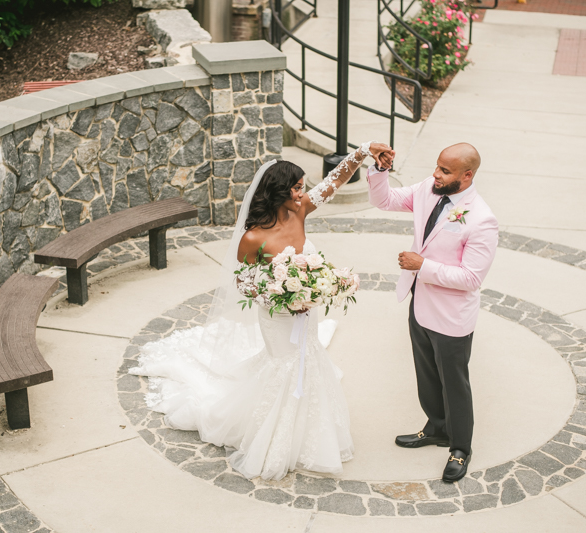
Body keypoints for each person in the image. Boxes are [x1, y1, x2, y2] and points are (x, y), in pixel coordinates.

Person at [130, 142, 394, 481]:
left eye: (302, 188)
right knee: (284, 365)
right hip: (277, 316)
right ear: (278, 192)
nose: (303, 193)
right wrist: (281, 296)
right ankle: (274, 438)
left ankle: (309, 433)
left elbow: (334, 181)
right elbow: (244, 284)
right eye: (296, 188)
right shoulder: (253, 237)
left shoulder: (301, 210)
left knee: (309, 357)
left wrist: (361, 154)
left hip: (306, 310)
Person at [367, 143, 498, 482]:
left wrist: (422, 266)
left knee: (454, 383)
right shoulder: (429, 188)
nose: (436, 175)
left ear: (467, 176)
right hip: (420, 304)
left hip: (453, 317)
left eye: (445, 171)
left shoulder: (482, 219)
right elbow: (385, 200)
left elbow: (471, 278)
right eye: (437, 167)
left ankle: (460, 448)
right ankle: (436, 428)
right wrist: (380, 172)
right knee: (426, 375)